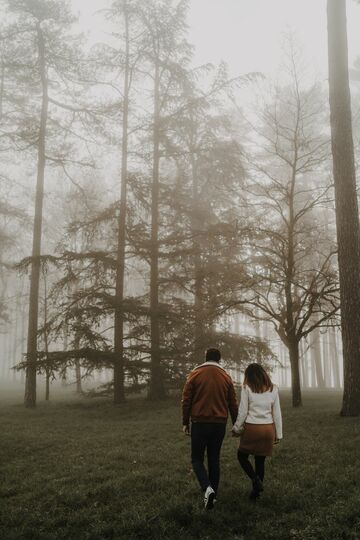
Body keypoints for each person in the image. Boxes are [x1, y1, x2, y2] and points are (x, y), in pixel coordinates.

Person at [182, 348, 238, 510]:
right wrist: (236, 424)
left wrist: (185, 422)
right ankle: (213, 497)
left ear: (205, 358)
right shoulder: (226, 377)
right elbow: (232, 403)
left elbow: (186, 400)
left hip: (199, 423)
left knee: (196, 459)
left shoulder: (195, 374)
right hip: (219, 424)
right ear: (219, 360)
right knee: (214, 459)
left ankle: (207, 489)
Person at [232, 363, 283, 500]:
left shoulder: (246, 388)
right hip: (268, 429)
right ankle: (256, 493)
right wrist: (279, 433)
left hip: (252, 428)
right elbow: (277, 413)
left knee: (242, 456)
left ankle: (255, 480)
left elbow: (243, 412)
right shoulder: (274, 389)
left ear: (248, 375)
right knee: (260, 461)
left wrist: (236, 428)